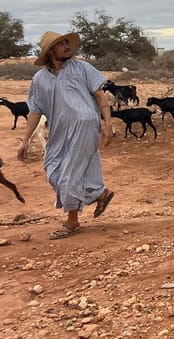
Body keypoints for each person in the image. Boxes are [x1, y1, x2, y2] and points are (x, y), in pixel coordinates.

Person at [17, 31, 115, 239]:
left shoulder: (82, 68)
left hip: (86, 126)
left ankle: (72, 221)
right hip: (59, 130)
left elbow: (100, 95)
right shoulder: (39, 79)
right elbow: (35, 110)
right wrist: (25, 140)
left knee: (71, 172)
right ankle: (100, 193)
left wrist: (108, 124)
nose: (67, 47)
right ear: (50, 50)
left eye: (67, 43)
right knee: (53, 169)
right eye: (61, 44)